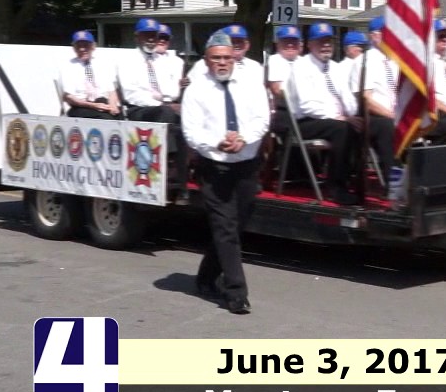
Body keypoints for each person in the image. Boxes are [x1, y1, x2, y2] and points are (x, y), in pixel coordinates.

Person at [182, 31, 270, 314]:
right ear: (206, 61)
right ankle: (236, 293)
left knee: (235, 226)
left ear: (235, 58)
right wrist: (215, 144)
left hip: (246, 164)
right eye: (216, 58)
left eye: (226, 58)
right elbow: (191, 132)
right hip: (214, 167)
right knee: (225, 227)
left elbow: (262, 118)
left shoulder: (251, 84)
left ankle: (206, 277)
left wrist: (243, 138)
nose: (222, 63)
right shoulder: (196, 90)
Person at [286, 22, 362, 205]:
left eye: (329, 41)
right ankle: (336, 187)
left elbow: (348, 99)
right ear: (310, 44)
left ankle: (357, 181)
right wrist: (336, 116)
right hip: (306, 122)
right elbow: (307, 105)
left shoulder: (336, 68)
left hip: (334, 121)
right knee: (342, 129)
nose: (326, 45)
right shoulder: (301, 67)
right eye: (321, 41)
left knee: (363, 125)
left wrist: (351, 114)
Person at [117, 17, 188, 199]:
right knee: (167, 113)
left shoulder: (164, 61)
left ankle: (182, 180)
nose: (150, 39)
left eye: (153, 35)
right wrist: (161, 102)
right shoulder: (126, 61)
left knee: (185, 122)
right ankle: (170, 162)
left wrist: (168, 101)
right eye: (146, 35)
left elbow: (172, 90)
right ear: (137, 37)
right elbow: (131, 93)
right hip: (137, 110)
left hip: (163, 107)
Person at [350, 16, 400, 183]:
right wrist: (391, 115)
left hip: (393, 113)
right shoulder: (364, 61)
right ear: (373, 36)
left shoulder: (395, 61)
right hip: (372, 116)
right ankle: (393, 184)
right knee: (387, 127)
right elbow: (366, 100)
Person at [58, 30, 121, 119]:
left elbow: (112, 90)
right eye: (78, 46)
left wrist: (113, 105)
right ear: (73, 48)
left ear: (93, 46)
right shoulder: (68, 66)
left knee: (119, 116)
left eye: (85, 45)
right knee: (105, 118)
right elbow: (69, 97)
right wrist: (93, 105)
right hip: (81, 105)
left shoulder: (103, 63)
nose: (82, 49)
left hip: (103, 102)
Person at [189, 25, 265, 85]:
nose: (236, 45)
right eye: (231, 41)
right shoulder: (202, 65)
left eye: (239, 41)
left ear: (247, 45)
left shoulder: (255, 67)